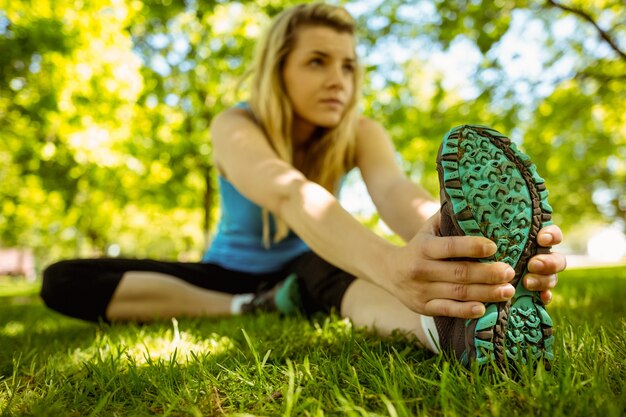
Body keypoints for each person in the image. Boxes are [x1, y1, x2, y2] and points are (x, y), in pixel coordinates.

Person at [41, 3, 566, 368]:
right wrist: (389, 265)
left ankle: (445, 332)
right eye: (317, 62)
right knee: (63, 280)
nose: (338, 79)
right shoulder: (236, 124)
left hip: (310, 265)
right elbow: (288, 192)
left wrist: (460, 242)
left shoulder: (362, 133)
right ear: (279, 71)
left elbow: (395, 191)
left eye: (348, 66)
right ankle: (254, 306)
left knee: (329, 273)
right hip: (226, 275)